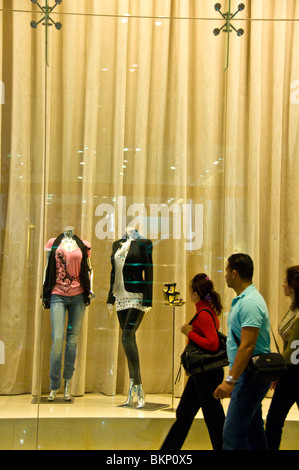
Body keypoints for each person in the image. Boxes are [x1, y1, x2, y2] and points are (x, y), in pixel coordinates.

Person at [160, 273, 225, 451]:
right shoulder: (206, 311)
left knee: (213, 418)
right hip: (202, 373)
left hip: (206, 374)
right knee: (185, 414)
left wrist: (190, 333)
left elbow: (213, 344)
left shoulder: (204, 314)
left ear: (195, 294)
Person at [214, 253, 271, 450]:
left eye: (227, 271)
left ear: (235, 273)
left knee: (232, 435)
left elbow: (247, 346)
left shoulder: (249, 303)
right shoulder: (245, 300)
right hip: (247, 376)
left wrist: (230, 380)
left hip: (248, 377)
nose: (225, 275)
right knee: (254, 434)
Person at [42, 226, 93, 401]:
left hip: (78, 296)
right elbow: (47, 268)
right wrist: (44, 292)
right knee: (57, 338)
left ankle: (67, 383)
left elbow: (89, 269)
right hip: (58, 295)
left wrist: (90, 290)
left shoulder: (84, 245)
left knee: (72, 340)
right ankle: (54, 385)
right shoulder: (53, 243)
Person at [107, 226, 153, 408]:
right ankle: (133, 387)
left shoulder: (145, 244)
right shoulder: (116, 244)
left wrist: (148, 300)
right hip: (120, 296)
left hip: (136, 296)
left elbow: (149, 270)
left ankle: (139, 386)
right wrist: (110, 298)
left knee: (126, 337)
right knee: (128, 340)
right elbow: (114, 272)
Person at [266, 266, 299, 450]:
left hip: (294, 372)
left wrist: (276, 371)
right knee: (273, 422)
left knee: (274, 422)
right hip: (290, 372)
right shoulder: (294, 309)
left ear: (293, 286)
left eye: (286, 281)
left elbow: (294, 348)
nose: (282, 285)